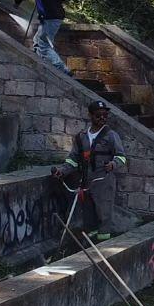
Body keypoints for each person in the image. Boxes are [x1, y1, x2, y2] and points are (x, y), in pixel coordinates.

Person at [53, 100, 127, 241]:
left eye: (105, 115)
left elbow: (121, 156)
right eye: (98, 115)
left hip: (103, 181)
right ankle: (90, 241)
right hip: (86, 181)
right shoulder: (81, 137)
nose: (102, 119)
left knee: (104, 213)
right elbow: (72, 160)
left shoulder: (111, 136)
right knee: (88, 213)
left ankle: (103, 243)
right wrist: (61, 171)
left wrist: (113, 164)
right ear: (90, 116)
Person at [14, 0, 71, 76]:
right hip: (57, 16)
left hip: (49, 16)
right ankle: (36, 65)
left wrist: (17, 1)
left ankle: (62, 69)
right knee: (38, 41)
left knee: (43, 44)